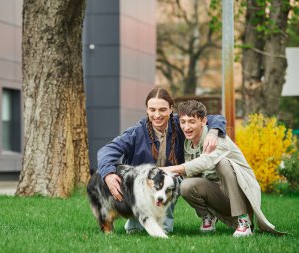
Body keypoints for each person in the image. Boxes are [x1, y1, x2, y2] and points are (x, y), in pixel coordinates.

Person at [97, 88, 227, 234]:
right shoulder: (136, 133)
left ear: (171, 109)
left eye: (162, 110)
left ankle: (165, 222)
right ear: (147, 110)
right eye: (152, 109)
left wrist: (213, 132)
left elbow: (216, 118)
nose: (157, 115)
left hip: (171, 182)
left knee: (164, 225)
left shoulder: (181, 124)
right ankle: (136, 218)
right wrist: (108, 173)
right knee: (135, 231)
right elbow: (107, 151)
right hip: (141, 187)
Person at [162, 100, 285, 237]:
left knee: (223, 163)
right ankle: (208, 217)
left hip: (242, 194)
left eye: (191, 121)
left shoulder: (218, 138)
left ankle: (244, 220)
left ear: (203, 121)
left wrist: (172, 169)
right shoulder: (187, 143)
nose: (186, 127)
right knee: (185, 185)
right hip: (218, 195)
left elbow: (205, 161)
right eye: (183, 122)